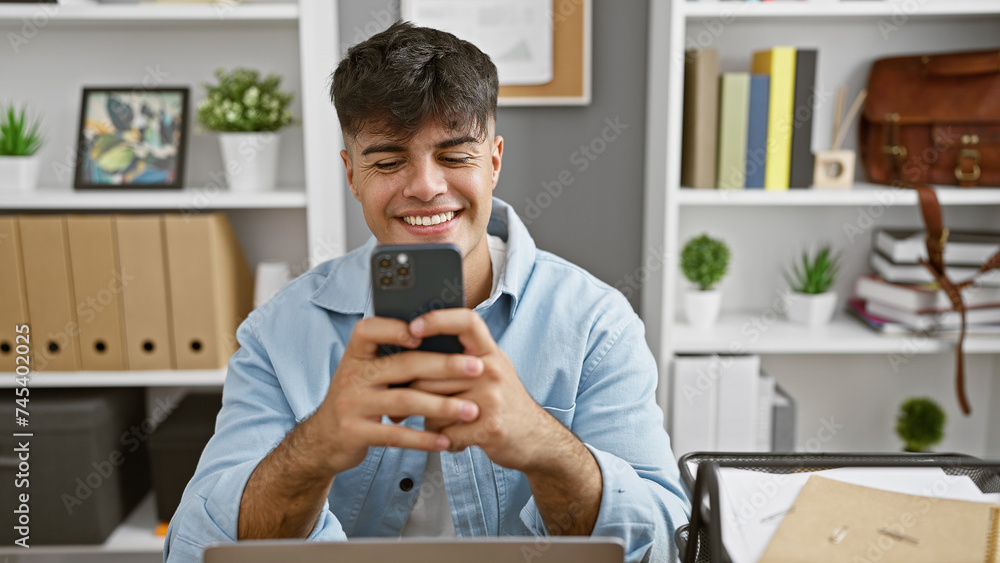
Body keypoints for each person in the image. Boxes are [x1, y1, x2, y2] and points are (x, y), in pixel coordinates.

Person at [164, 21, 690, 563]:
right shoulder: (277, 333)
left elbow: (668, 544)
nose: (425, 186)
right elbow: (191, 548)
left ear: (494, 161)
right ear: (352, 175)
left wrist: (545, 446)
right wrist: (315, 449)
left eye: (456, 155)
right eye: (389, 161)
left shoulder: (596, 323)